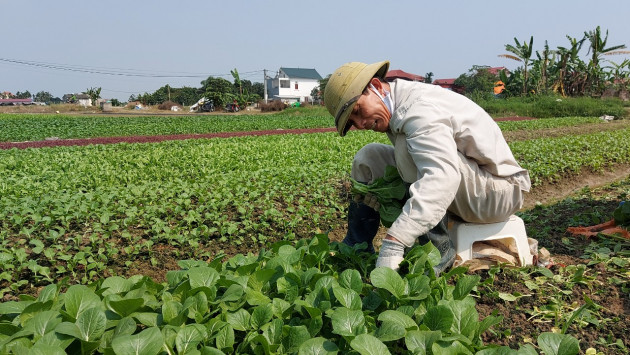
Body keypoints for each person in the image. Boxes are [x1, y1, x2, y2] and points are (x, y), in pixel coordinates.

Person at [324, 60, 531, 274]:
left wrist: (395, 242)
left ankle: (437, 250)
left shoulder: (418, 109)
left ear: (376, 86)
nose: (360, 123)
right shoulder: (395, 105)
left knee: (407, 150)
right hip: (473, 185)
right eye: (352, 122)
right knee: (368, 158)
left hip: (500, 192)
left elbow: (442, 179)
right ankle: (357, 247)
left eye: (358, 110)